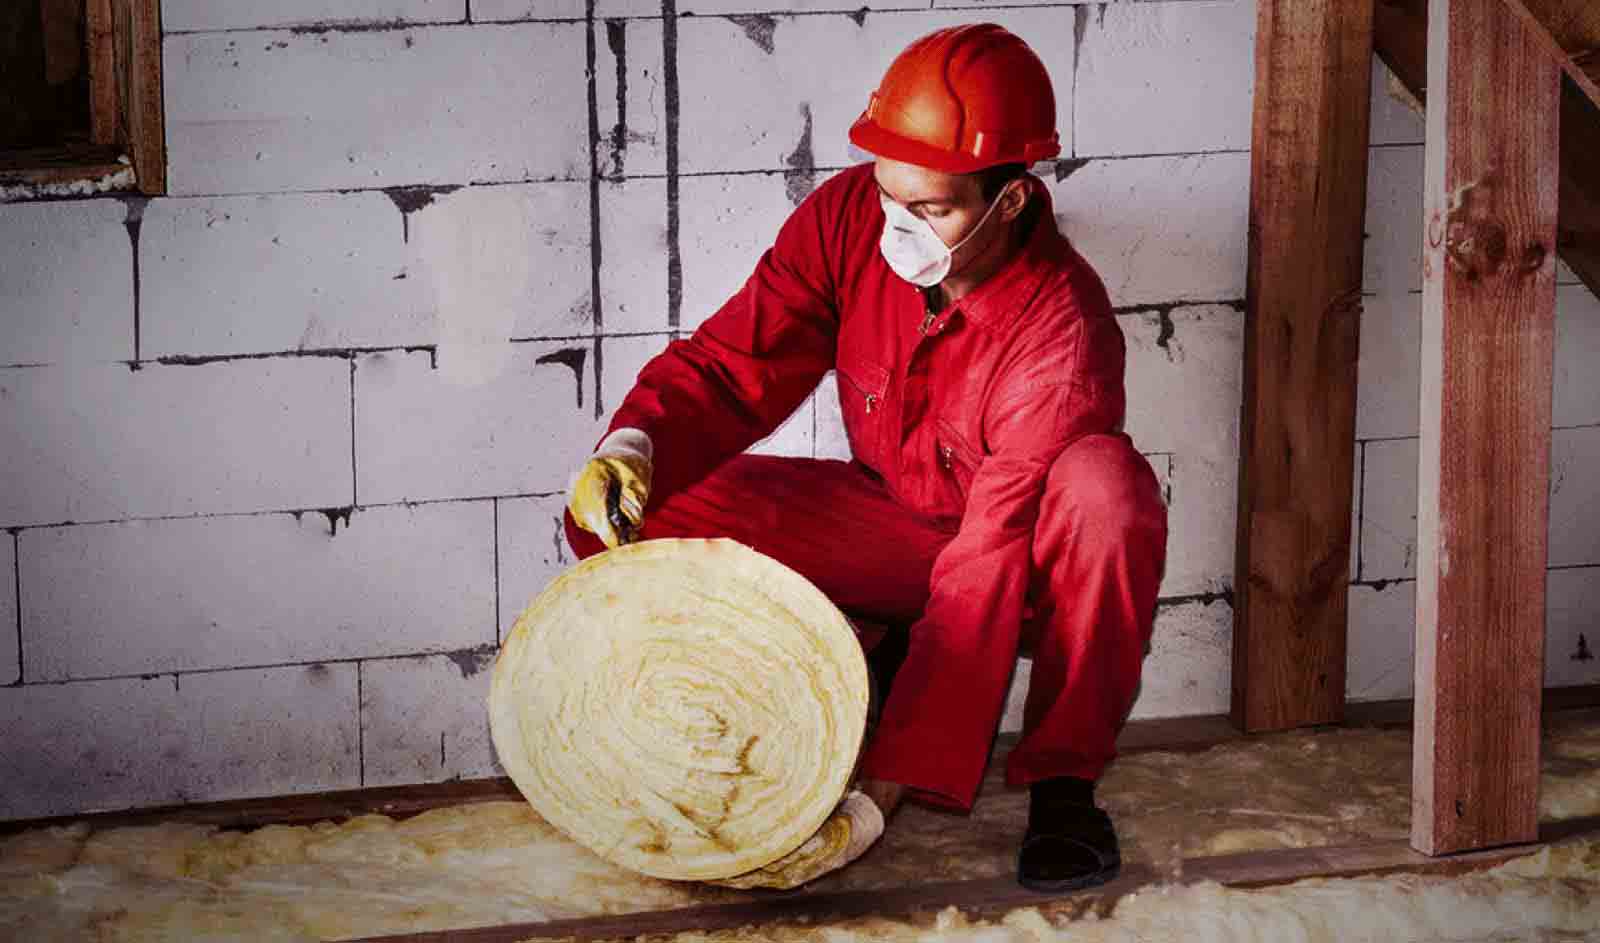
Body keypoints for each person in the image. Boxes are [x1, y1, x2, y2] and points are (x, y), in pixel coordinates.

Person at [564, 22, 1167, 892]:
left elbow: (984, 563)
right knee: (633, 510)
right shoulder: (850, 217)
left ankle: (1065, 785)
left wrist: (875, 804)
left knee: (1109, 493)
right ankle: (860, 661)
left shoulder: (1060, 333)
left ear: (1013, 202)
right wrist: (634, 442)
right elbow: (737, 360)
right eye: (891, 195)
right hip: (893, 529)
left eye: (932, 210)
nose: (897, 228)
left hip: (1018, 566)